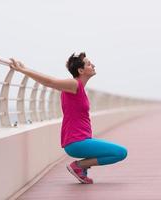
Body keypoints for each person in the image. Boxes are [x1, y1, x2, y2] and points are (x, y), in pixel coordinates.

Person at [9, 52, 128, 184]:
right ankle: (78, 166)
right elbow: (50, 82)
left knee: (111, 150)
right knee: (120, 152)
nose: (93, 65)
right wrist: (23, 70)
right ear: (81, 70)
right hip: (76, 142)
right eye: (89, 64)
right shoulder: (74, 84)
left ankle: (81, 169)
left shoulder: (78, 87)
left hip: (80, 140)